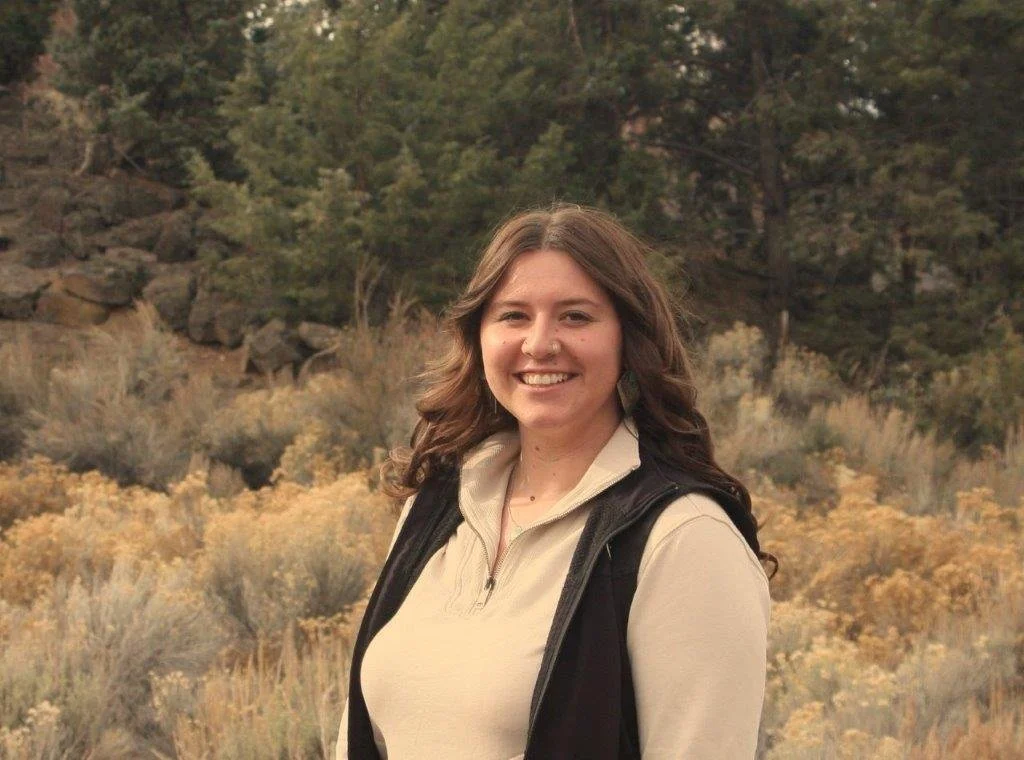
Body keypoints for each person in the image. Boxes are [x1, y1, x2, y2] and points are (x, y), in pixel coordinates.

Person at [337, 204, 774, 760]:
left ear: (628, 338)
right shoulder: (436, 507)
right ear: (479, 337)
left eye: (576, 317)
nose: (540, 344)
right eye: (513, 315)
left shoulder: (682, 538)